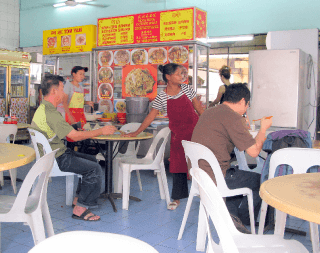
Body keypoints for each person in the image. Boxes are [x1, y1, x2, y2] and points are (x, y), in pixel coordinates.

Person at [31, 74, 117, 221]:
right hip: (56, 158)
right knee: (94, 169)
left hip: (54, 153)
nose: (64, 93)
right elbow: (74, 136)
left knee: (92, 160)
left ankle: (78, 199)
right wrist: (101, 131)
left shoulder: (44, 108)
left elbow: (68, 132)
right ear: (54, 92)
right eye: (62, 89)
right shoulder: (50, 113)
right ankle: (81, 208)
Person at [191, 83, 272, 232]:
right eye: (247, 105)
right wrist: (263, 129)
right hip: (217, 177)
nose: (247, 108)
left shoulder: (210, 112)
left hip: (199, 175)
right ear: (242, 101)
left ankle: (232, 215)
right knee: (262, 181)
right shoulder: (232, 117)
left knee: (237, 174)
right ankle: (247, 218)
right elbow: (254, 152)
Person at [125, 63, 204, 210]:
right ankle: (177, 198)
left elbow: (199, 109)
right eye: (178, 74)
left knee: (198, 163)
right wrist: (137, 132)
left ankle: (203, 193)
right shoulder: (162, 96)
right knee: (177, 165)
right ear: (168, 77)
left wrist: (209, 127)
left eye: (182, 74)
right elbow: (151, 116)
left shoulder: (187, 89)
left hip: (195, 131)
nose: (182, 76)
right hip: (177, 135)